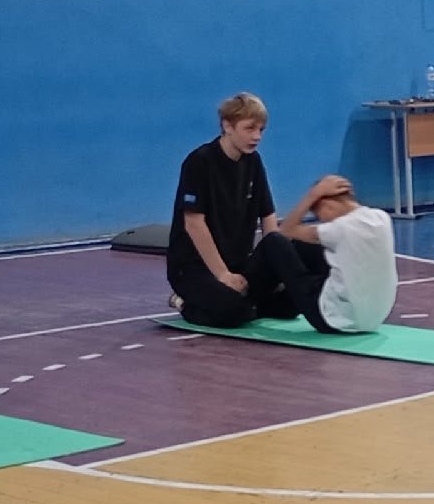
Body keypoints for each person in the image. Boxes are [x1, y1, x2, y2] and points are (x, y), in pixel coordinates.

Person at [166, 92, 279, 328]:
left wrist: (272, 264)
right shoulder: (199, 162)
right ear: (228, 126)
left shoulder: (254, 162)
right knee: (233, 311)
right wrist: (222, 275)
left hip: (238, 263)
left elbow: (268, 216)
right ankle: (184, 302)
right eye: (250, 128)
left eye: (261, 130)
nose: (257, 137)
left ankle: (249, 304)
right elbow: (194, 223)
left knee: (287, 303)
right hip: (194, 268)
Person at [246, 174, 399, 333]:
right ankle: (279, 307)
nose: (323, 220)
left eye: (319, 214)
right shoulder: (382, 218)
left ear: (327, 205)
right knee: (308, 246)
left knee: (274, 242)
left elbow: (285, 230)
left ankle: (244, 300)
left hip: (334, 320)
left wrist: (312, 195)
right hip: (373, 319)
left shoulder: (340, 228)